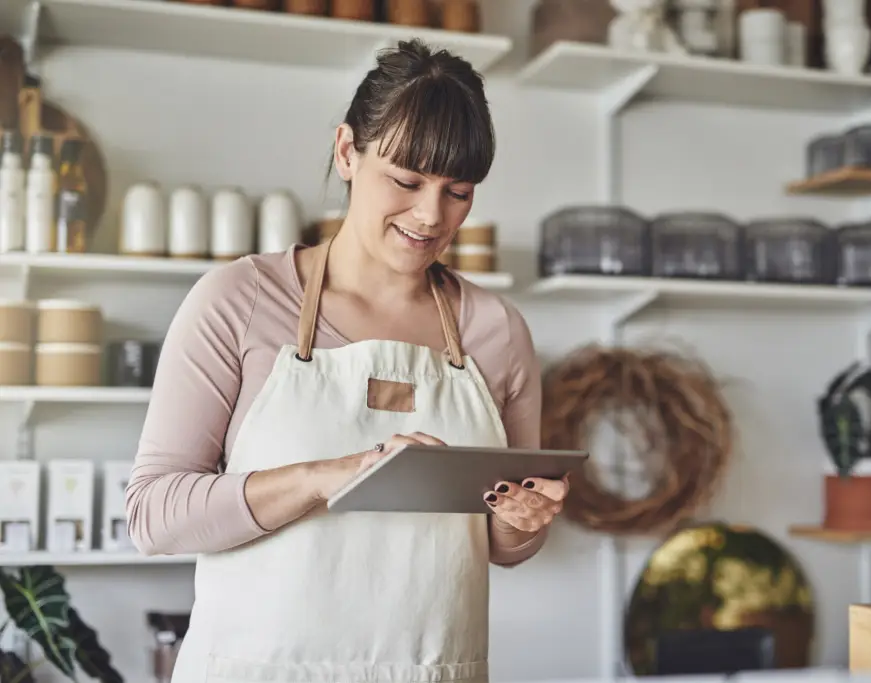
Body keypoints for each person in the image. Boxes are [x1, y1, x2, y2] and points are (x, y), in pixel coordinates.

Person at [125, 39, 569, 683]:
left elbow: (504, 547)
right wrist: (322, 478)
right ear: (346, 153)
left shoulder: (496, 331)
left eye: (459, 192)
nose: (430, 215)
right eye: (406, 180)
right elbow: (152, 516)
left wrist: (522, 524)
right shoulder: (242, 301)